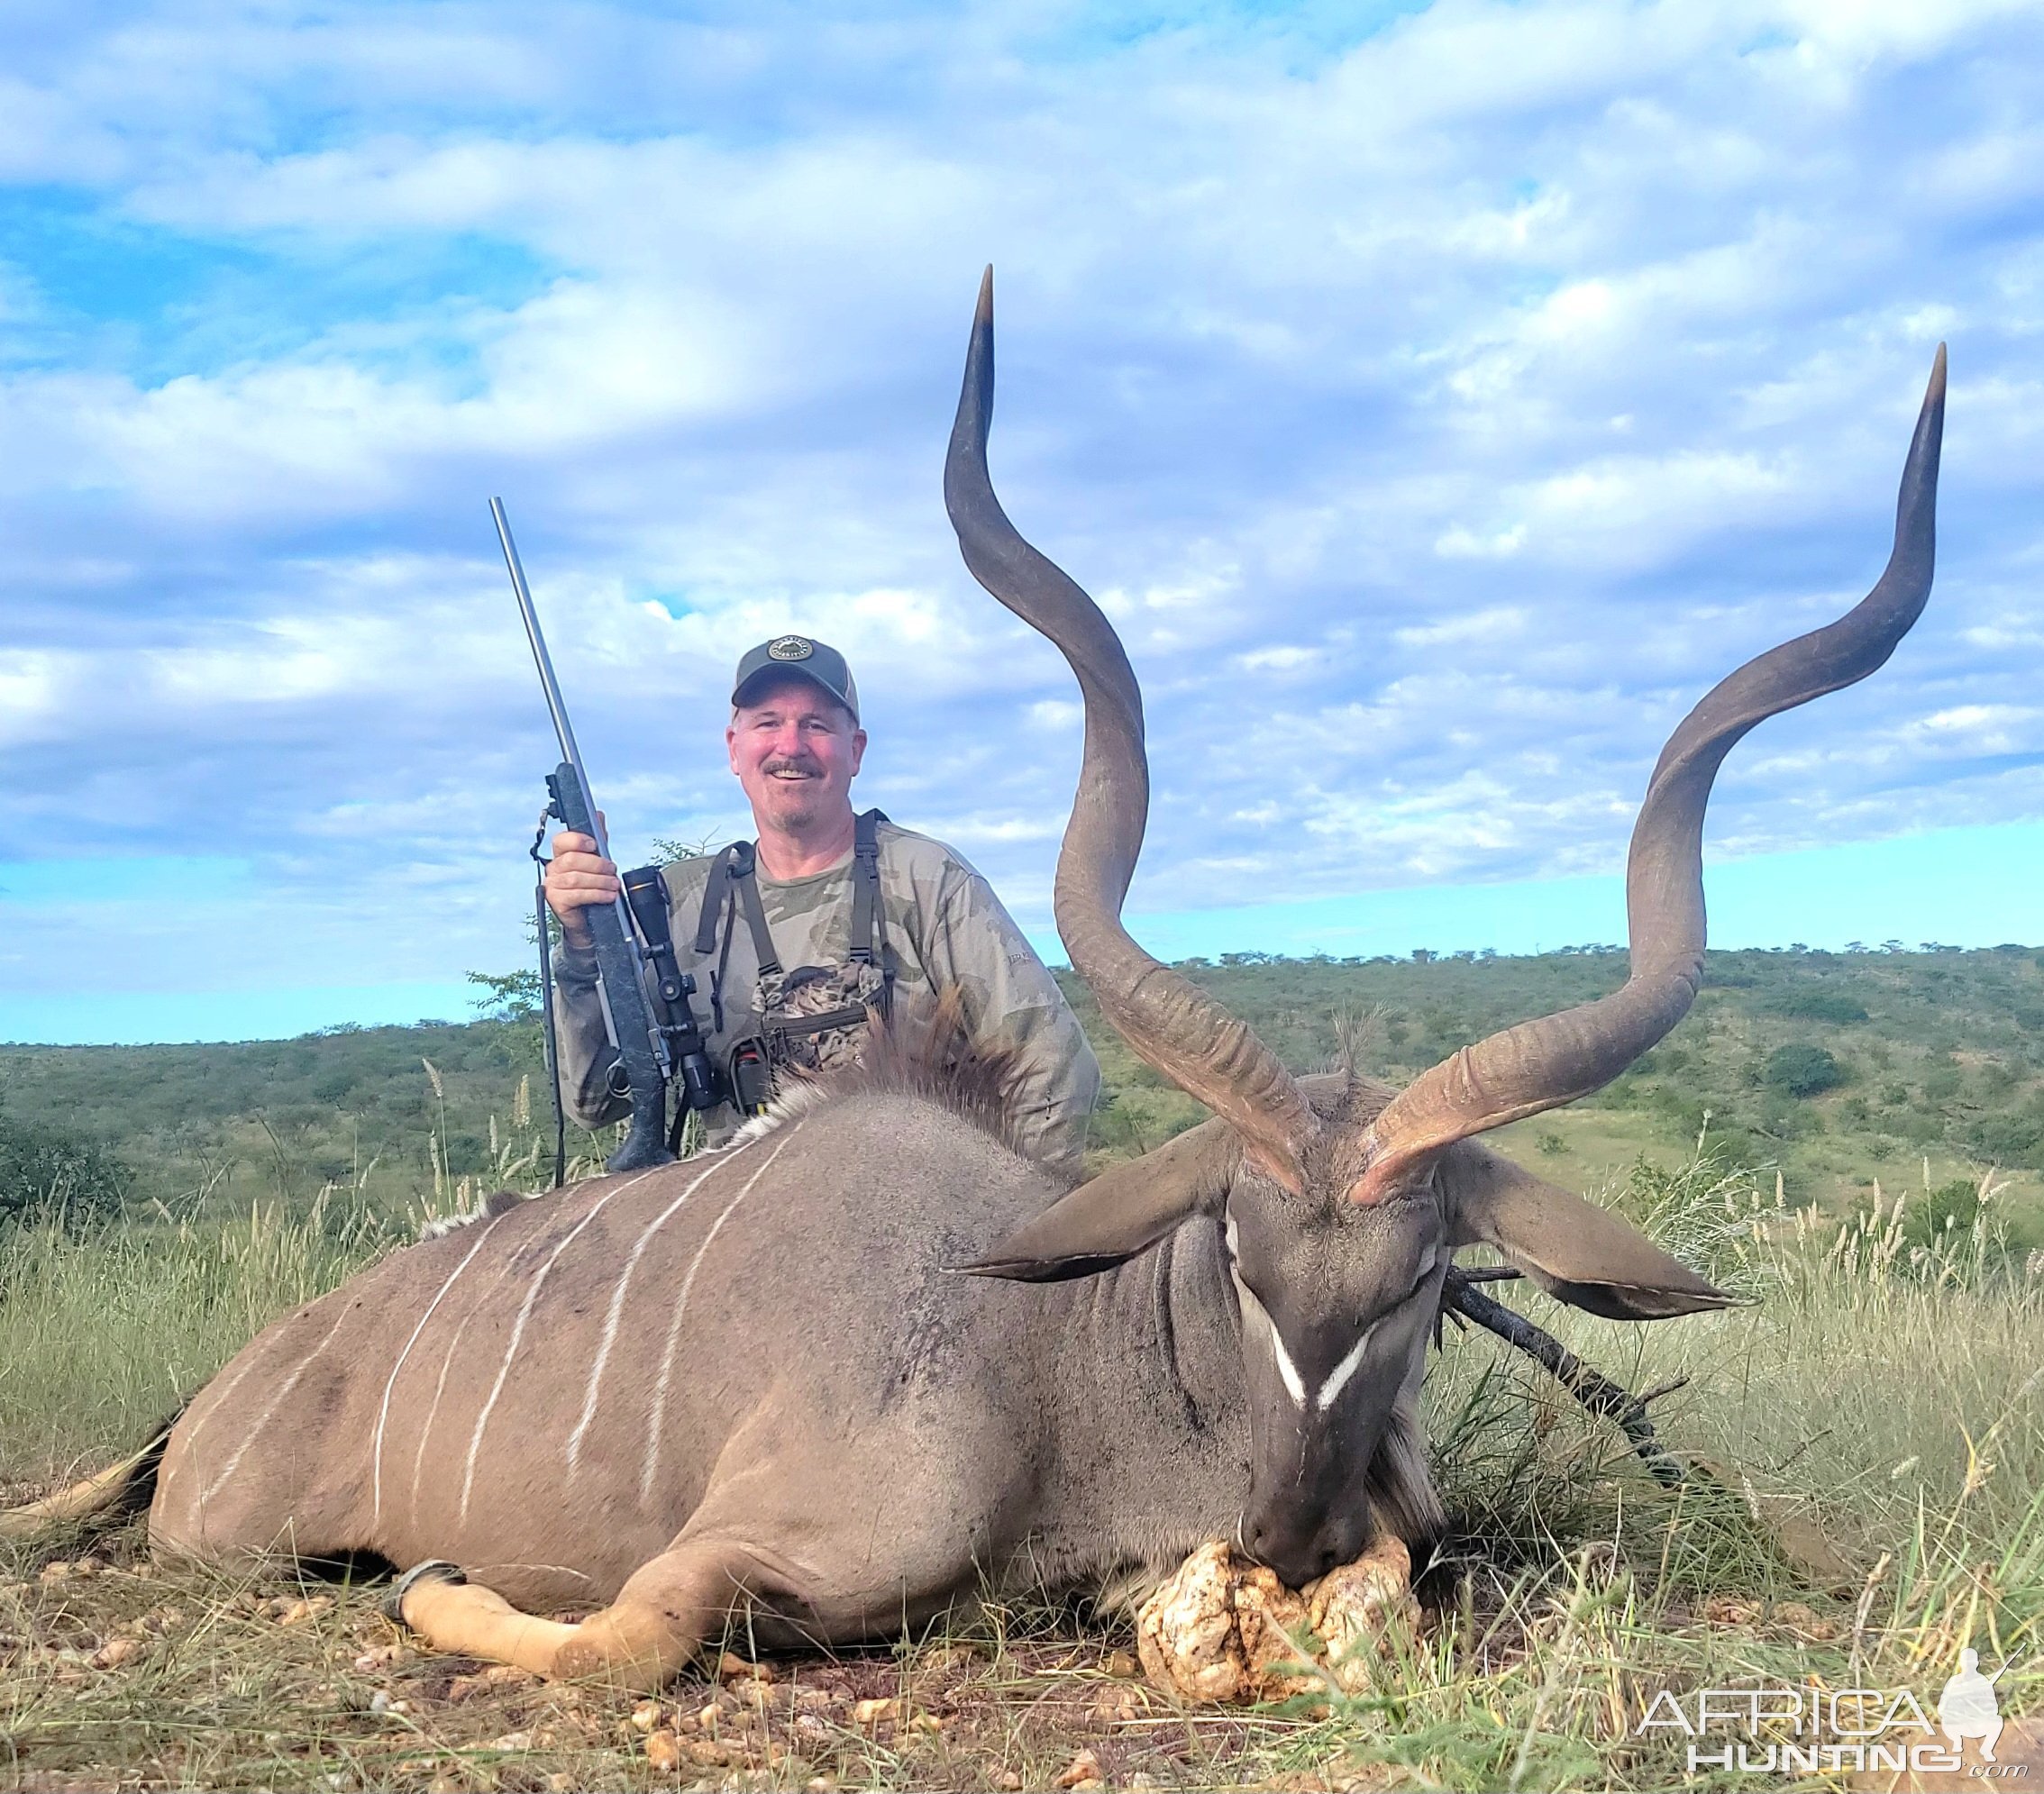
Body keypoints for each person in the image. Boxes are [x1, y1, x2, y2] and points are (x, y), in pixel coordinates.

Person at [543, 633, 1101, 1181]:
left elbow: (1056, 1070)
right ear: (733, 749)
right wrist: (582, 944)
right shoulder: (674, 907)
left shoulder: (927, 878)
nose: (791, 746)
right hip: (743, 1228)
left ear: (854, 750)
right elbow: (594, 1101)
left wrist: (1000, 1229)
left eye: (816, 724)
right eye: (768, 723)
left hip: (924, 1224)